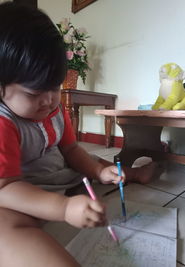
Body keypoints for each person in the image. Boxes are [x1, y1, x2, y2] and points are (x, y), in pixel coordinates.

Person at [0, 3, 158, 267]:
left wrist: (98, 173)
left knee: (99, 164)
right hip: (20, 191)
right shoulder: (4, 123)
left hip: (60, 175)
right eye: (33, 93)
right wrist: (62, 209)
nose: (49, 100)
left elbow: (72, 150)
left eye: (54, 86)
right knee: (5, 227)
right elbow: (5, 189)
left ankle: (132, 173)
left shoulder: (53, 108)